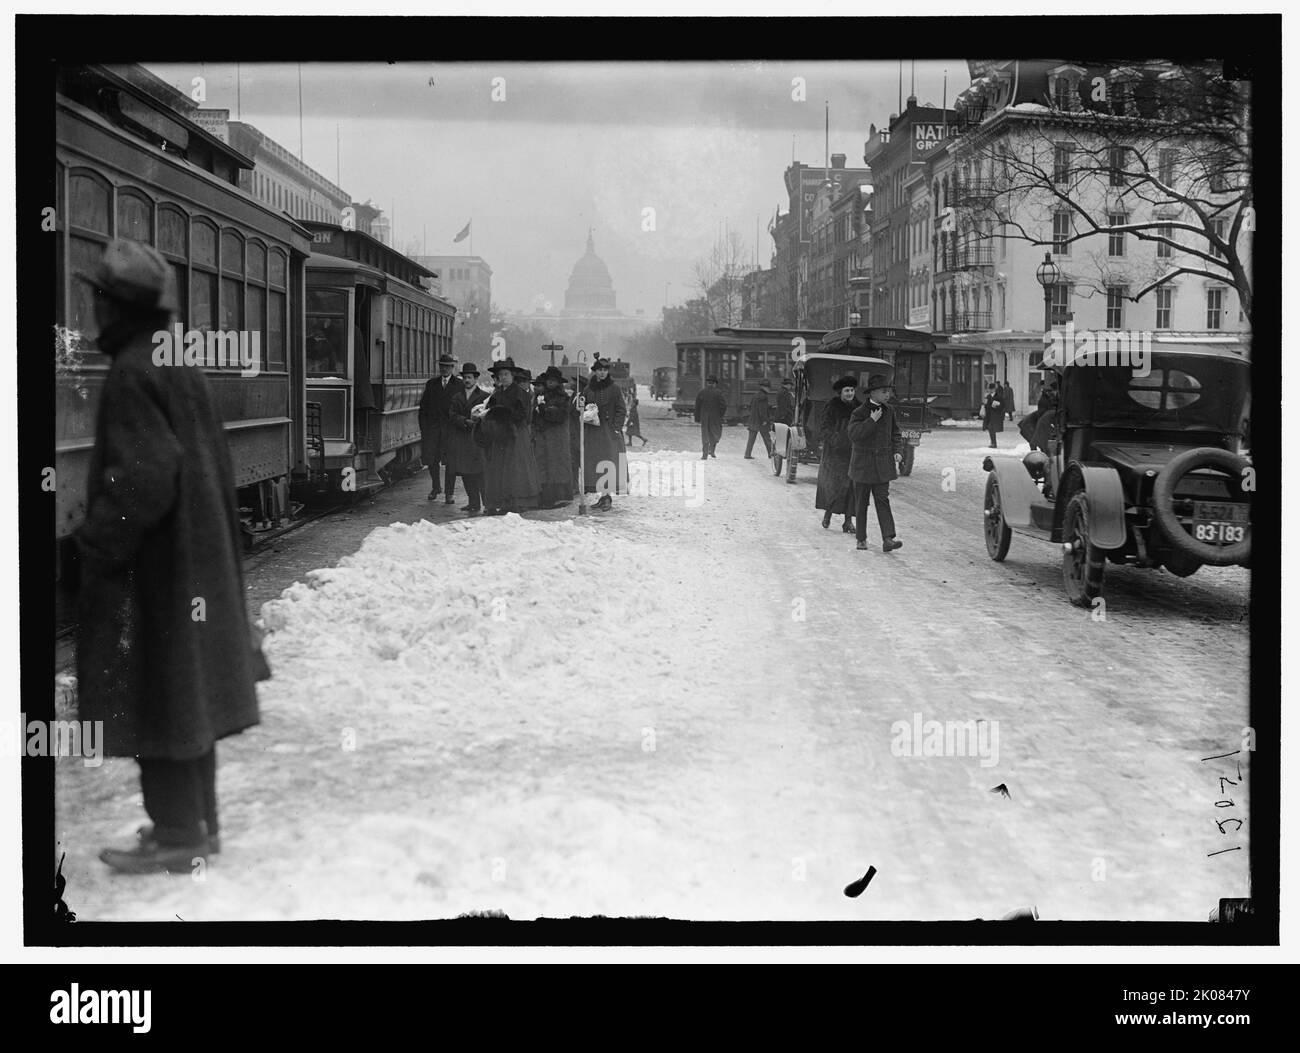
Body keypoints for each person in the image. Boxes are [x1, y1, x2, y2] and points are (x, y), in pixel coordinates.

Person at [73, 239, 266, 874]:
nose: (93, 310)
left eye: (97, 298)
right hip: (196, 564)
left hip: (157, 573)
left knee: (156, 696)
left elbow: (144, 479)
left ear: (114, 305)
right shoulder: (177, 360)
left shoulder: (133, 369)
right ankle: (197, 826)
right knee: (189, 700)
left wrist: (99, 541)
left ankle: (177, 834)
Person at [847, 373, 905, 553]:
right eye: (884, 392)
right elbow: (854, 435)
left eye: (888, 392)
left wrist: (897, 451)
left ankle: (888, 539)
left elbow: (895, 433)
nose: (887, 395)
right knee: (862, 503)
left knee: (883, 500)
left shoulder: (889, 411)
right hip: (863, 466)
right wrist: (871, 421)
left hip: (882, 466)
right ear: (872, 393)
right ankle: (861, 539)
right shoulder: (859, 412)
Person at [478, 358, 540, 515]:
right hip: (499, 435)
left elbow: (522, 415)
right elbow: (491, 409)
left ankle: (516, 501)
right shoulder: (497, 393)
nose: (503, 377)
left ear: (512, 376)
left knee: (515, 468)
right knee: (499, 468)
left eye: (506, 374)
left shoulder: (520, 394)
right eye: (500, 375)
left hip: (515, 435)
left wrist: (501, 414)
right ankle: (500, 501)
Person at [581, 357, 627, 511]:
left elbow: (621, 409)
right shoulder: (588, 389)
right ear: (595, 371)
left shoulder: (614, 389)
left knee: (609, 462)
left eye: (605, 370)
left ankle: (607, 496)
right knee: (596, 463)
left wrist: (616, 427)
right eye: (599, 370)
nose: (602, 373)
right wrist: (583, 408)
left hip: (609, 433)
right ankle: (602, 496)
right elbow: (583, 407)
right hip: (593, 432)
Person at [446, 362, 490, 514]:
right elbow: (451, 415)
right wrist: (465, 421)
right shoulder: (457, 397)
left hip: (477, 439)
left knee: (480, 473)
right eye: (465, 377)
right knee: (466, 473)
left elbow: (488, 414)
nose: (467, 380)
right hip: (462, 438)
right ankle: (473, 503)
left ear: (475, 379)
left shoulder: (484, 396)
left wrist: (477, 421)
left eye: (470, 377)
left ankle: (487, 503)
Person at [816, 376, 858, 533]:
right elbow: (824, 427)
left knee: (852, 488)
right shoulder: (832, 406)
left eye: (852, 390)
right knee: (835, 486)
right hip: (834, 453)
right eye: (846, 391)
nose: (850, 393)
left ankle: (848, 521)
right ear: (841, 392)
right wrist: (836, 440)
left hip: (853, 453)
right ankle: (828, 515)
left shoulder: (858, 407)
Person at [419, 353, 460, 502]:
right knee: (432, 460)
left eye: (447, 366)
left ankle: (449, 493)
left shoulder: (459, 384)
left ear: (452, 368)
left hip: (450, 430)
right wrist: (424, 427)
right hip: (433, 429)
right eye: (441, 366)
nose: (444, 369)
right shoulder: (431, 384)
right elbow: (423, 407)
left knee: (450, 462)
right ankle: (436, 486)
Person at [533, 365, 574, 508]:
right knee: (543, 464)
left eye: (553, 380)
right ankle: (544, 498)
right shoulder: (540, 396)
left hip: (557, 437)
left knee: (556, 466)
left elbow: (559, 416)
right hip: (543, 435)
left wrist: (544, 410)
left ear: (558, 382)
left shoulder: (563, 397)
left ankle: (559, 497)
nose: (550, 383)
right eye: (548, 380)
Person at [694, 375, 727, 460]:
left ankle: (704, 455)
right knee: (715, 434)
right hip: (715, 418)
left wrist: (697, 418)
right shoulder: (719, 393)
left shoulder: (702, 392)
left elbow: (697, 406)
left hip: (704, 418)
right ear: (715, 383)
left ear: (707, 383)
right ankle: (712, 451)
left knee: (705, 435)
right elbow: (723, 406)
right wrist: (721, 415)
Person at [744, 381, 774, 459]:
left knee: (751, 439)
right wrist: (764, 420)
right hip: (761, 422)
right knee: (767, 438)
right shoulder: (763, 396)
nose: (769, 389)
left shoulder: (755, 395)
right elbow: (762, 410)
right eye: (768, 387)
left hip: (753, 420)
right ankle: (771, 454)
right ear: (764, 387)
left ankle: (747, 454)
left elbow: (750, 407)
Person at [981, 381, 1007, 449]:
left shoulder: (998, 396)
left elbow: (1003, 405)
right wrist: (983, 405)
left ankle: (994, 443)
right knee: (990, 429)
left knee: (991, 428)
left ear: (994, 389)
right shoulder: (988, 396)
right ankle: (993, 442)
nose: (989, 390)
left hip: (995, 415)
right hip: (989, 415)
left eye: (991, 389)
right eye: (989, 389)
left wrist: (997, 406)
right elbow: (985, 404)